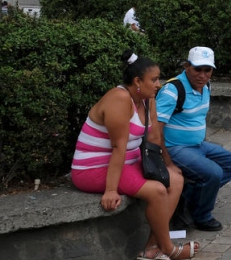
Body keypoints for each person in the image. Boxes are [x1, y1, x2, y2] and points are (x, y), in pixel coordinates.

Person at [71, 50, 198, 260]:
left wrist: (168, 165)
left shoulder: (147, 99)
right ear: (138, 81)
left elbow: (155, 137)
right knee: (157, 190)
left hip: (129, 164)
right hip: (93, 169)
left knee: (175, 179)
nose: (159, 84)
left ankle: (151, 248)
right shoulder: (119, 99)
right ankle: (169, 249)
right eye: (154, 79)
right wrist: (111, 190)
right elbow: (118, 147)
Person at [157, 47, 231, 233]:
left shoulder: (207, 87)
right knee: (213, 173)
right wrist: (168, 162)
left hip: (198, 145)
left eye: (207, 70)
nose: (203, 75)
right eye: (198, 69)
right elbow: (155, 129)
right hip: (175, 148)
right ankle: (202, 216)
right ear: (186, 66)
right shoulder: (173, 90)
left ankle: (188, 199)